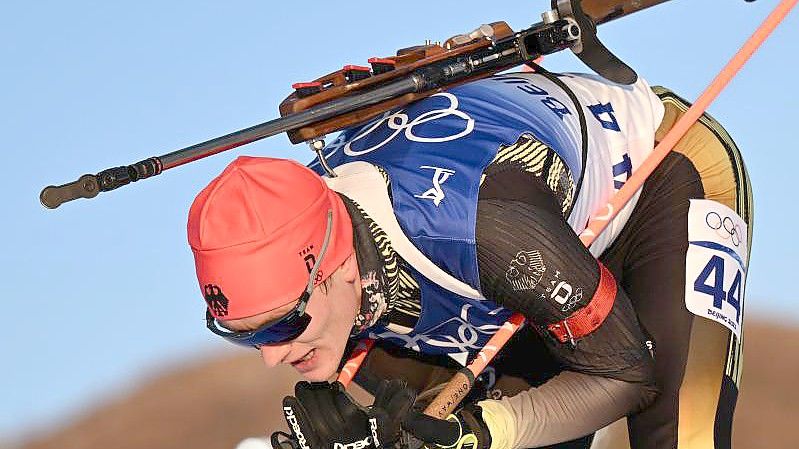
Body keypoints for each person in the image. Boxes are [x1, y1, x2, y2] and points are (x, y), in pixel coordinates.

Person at [187, 68, 752, 449]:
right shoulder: (326, 296)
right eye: (246, 336)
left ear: (336, 268)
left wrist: (484, 430)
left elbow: (629, 375)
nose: (271, 356)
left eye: (285, 325)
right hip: (519, 264)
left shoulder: (478, 231)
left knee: (679, 428)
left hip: (661, 177)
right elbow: (433, 415)